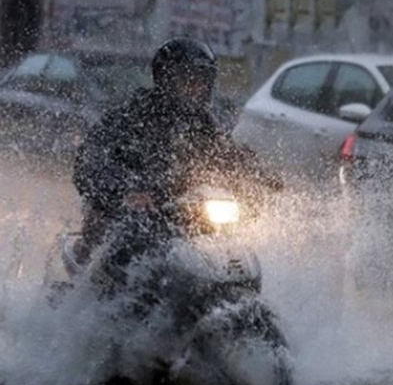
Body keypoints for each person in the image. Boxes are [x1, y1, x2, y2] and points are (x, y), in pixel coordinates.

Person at [73, 37, 281, 277]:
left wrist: (261, 180)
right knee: (128, 245)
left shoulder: (202, 123)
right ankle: (108, 305)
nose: (195, 88)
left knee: (224, 241)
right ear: (165, 80)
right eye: (186, 80)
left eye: (202, 81)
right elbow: (90, 159)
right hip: (128, 214)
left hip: (180, 214)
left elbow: (228, 155)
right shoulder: (130, 116)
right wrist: (124, 190)